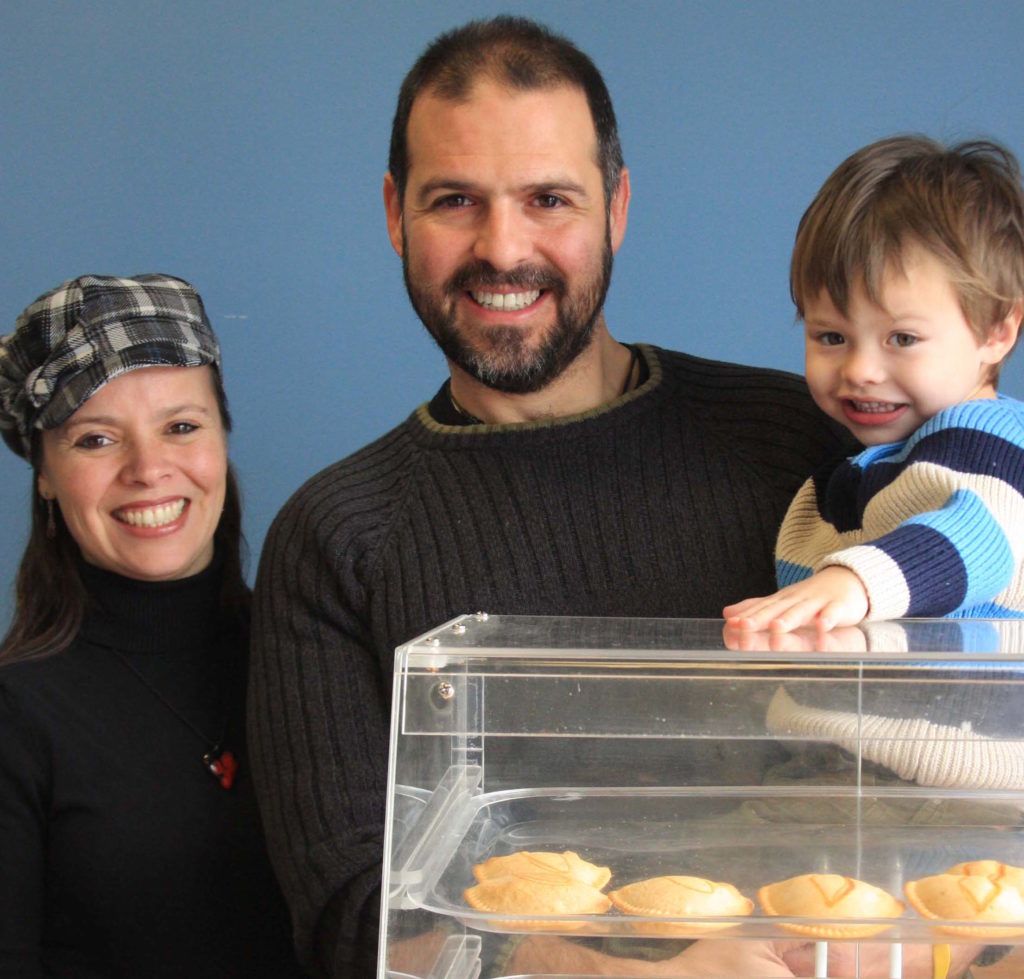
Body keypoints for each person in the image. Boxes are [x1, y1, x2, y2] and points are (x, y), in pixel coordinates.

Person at [247, 15, 913, 977]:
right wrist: (617, 970)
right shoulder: (336, 537)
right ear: (395, 213)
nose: (502, 248)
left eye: (549, 198)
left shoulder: (805, 444)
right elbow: (352, 922)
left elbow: (946, 737)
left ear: (618, 206)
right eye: (454, 202)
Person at [0, 274, 303, 977]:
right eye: (97, 438)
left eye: (181, 426)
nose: (149, 469)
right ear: (44, 471)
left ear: (221, 437)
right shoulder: (16, 715)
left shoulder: (313, 655)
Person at [724, 136, 1024, 634]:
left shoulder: (991, 443)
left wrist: (852, 582)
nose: (860, 369)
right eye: (832, 336)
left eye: (902, 337)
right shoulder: (855, 471)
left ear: (997, 330)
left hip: (961, 711)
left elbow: (986, 537)